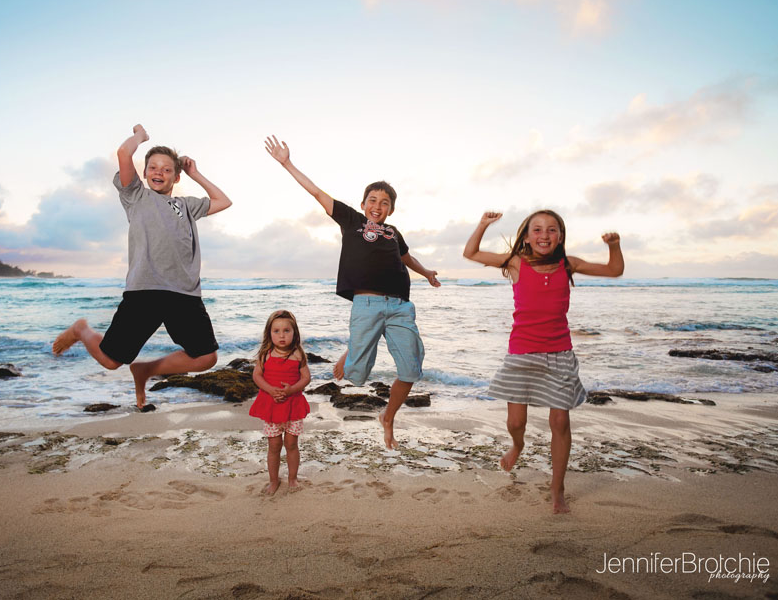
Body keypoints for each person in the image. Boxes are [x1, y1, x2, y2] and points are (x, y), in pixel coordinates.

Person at [265, 135, 440, 450]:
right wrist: (287, 163)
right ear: (363, 204)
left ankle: (388, 417)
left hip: (400, 306)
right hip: (367, 304)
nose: (378, 205)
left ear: (391, 210)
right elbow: (317, 192)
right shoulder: (351, 220)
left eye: (385, 203)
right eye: (373, 200)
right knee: (355, 375)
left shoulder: (393, 232)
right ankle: (356, 347)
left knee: (412, 369)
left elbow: (406, 258)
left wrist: (426, 272)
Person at [52, 124, 232, 411]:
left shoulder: (185, 205)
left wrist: (195, 173)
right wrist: (140, 137)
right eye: (153, 168)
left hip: (184, 294)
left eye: (166, 169)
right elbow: (124, 153)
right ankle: (82, 330)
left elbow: (224, 201)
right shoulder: (135, 196)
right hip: (144, 291)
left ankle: (146, 369)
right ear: (145, 172)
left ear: (176, 175)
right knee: (111, 361)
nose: (159, 173)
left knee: (206, 358)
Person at [463, 209, 623, 514]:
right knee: (515, 422)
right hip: (521, 353)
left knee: (560, 421)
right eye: (537, 230)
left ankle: (557, 488)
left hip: (560, 352)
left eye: (551, 230)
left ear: (560, 236)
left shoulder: (569, 264)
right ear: (526, 236)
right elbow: (470, 253)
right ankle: (518, 445)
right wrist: (483, 224)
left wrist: (613, 246)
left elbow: (614, 270)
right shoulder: (515, 263)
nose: (544, 235)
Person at [249, 310, 312, 495]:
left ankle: (292, 478)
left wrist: (291, 389)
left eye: (286, 330)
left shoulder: (298, 353)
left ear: (295, 333)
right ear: (269, 333)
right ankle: (274, 480)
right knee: (274, 446)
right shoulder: (265, 354)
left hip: (293, 406)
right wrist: (270, 390)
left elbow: (306, 377)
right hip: (271, 406)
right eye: (276, 331)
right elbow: (257, 375)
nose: (282, 335)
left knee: (292, 444)